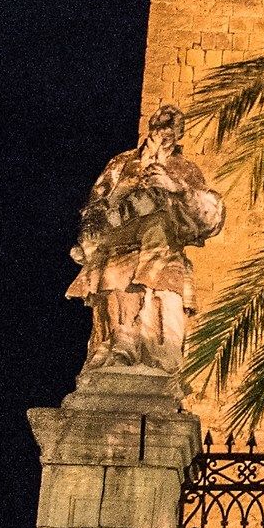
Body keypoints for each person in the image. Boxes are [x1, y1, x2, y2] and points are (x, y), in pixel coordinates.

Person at [67, 104, 225, 374]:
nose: (165, 133)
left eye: (171, 128)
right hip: (119, 254)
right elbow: (95, 208)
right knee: (117, 314)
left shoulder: (184, 168)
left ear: (178, 134)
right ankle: (117, 346)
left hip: (162, 257)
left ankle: (153, 362)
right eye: (160, 126)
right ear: (151, 128)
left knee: (162, 334)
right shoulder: (122, 163)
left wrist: (177, 188)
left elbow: (211, 218)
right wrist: (119, 205)